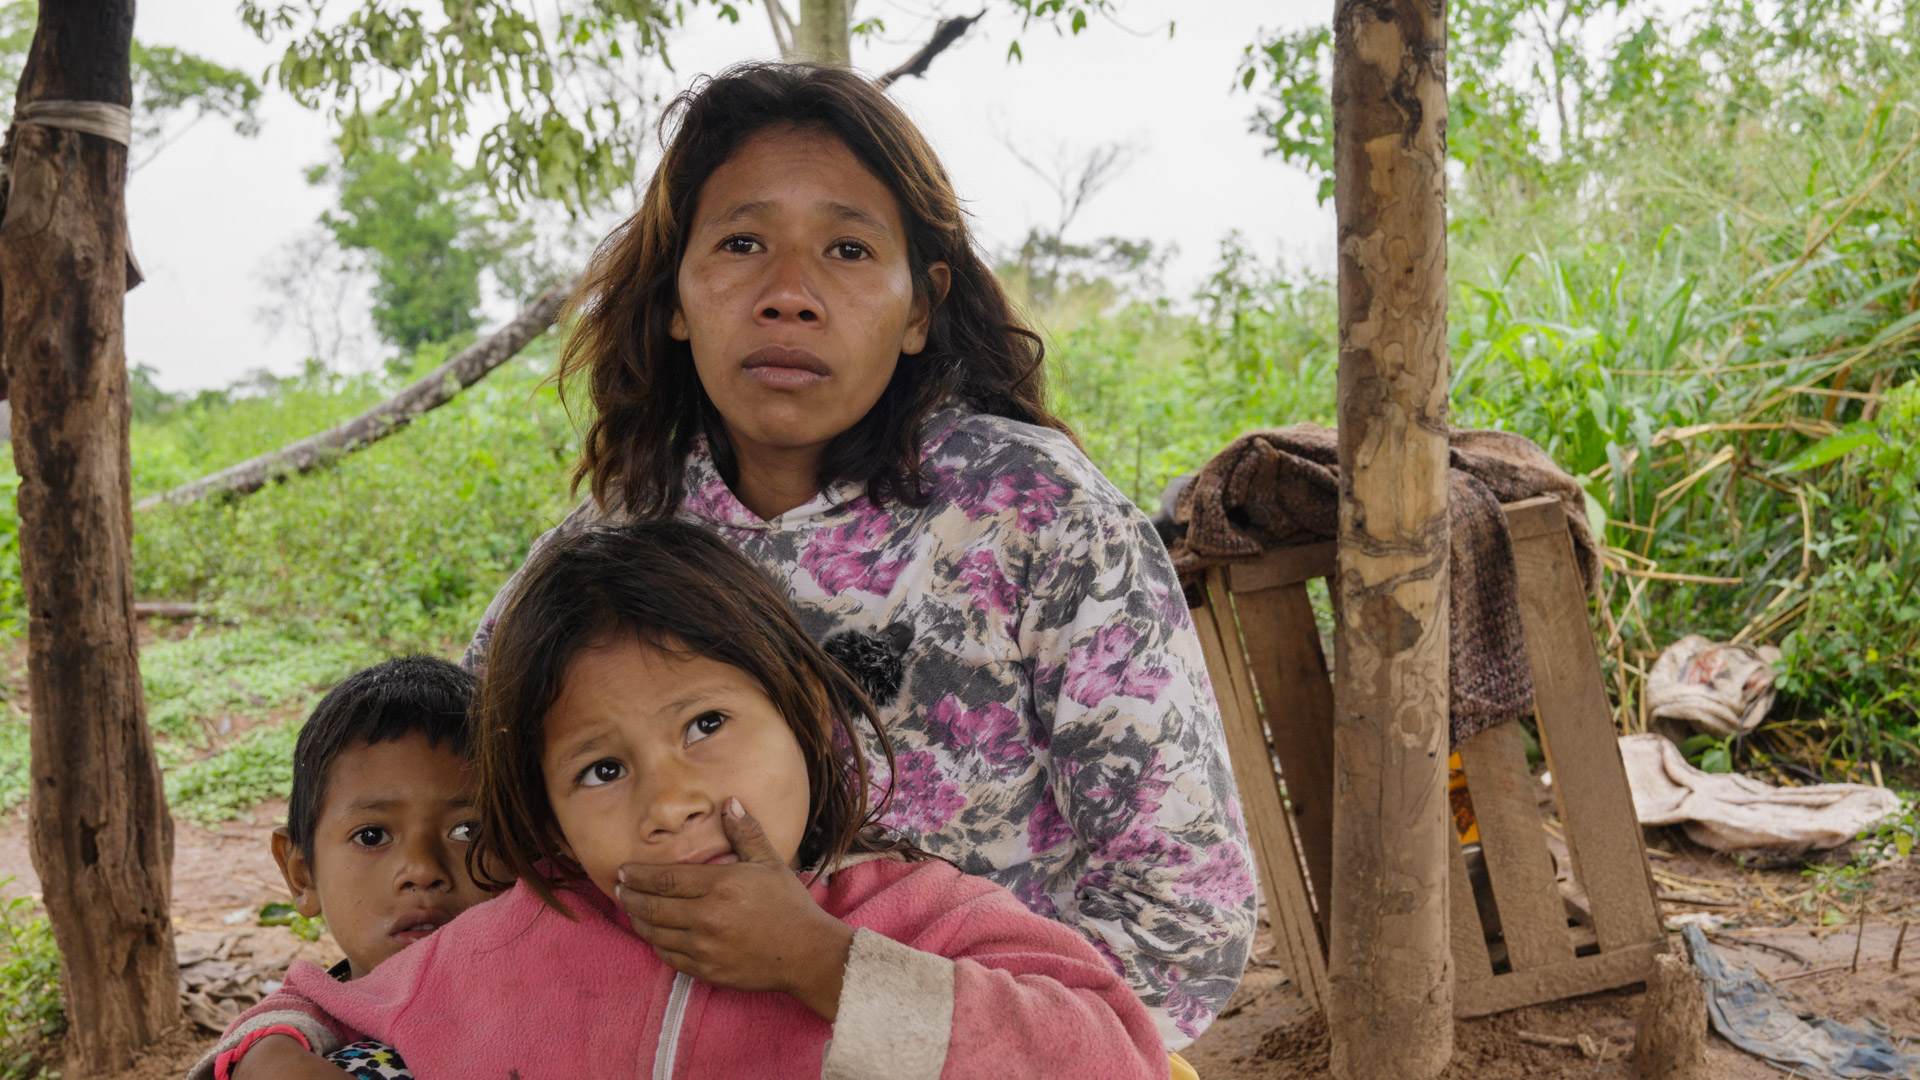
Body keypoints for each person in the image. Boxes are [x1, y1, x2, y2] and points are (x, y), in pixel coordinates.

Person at [465, 61, 1254, 1047]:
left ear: (920, 307)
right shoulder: (614, 551)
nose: (789, 294)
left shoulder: (1032, 516)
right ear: (674, 294)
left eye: (845, 249)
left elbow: (1186, 926)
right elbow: (462, 830)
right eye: (742, 242)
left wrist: (838, 980)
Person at [199, 523, 1172, 1080]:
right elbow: (311, 1004)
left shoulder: (918, 915)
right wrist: (276, 1060)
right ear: (547, 813)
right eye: (602, 771)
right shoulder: (515, 931)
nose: (668, 801)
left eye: (705, 725)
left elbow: (1119, 1060)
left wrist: (826, 965)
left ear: (800, 713)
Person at [242, 656, 491, 1080]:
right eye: (372, 836)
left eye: (467, 830)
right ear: (302, 874)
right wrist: (265, 1057)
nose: (422, 869)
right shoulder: (298, 1048)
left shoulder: (569, 979)